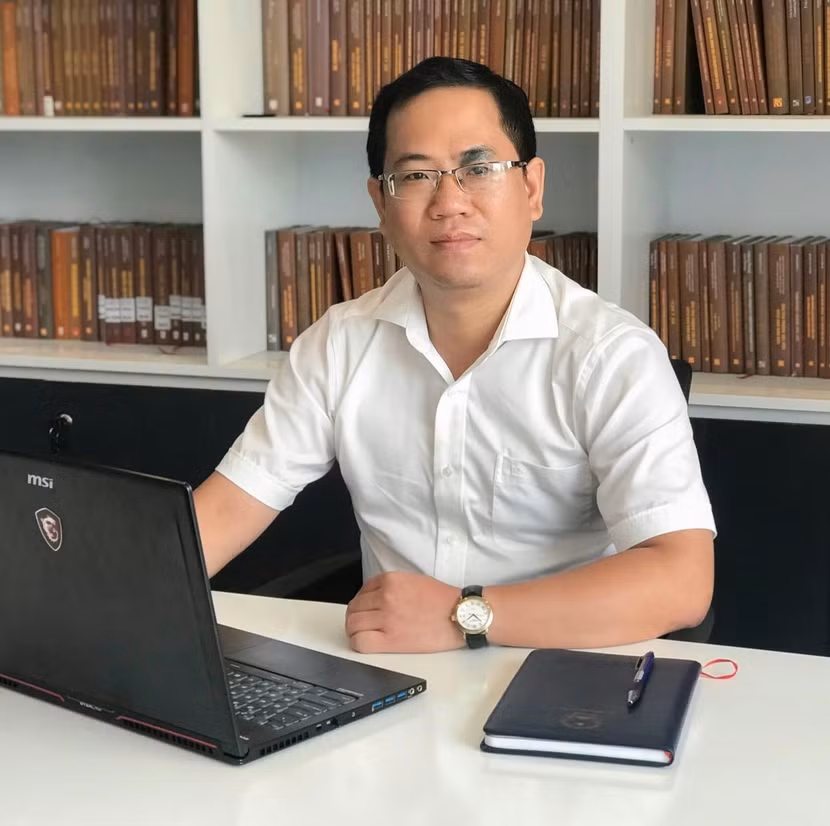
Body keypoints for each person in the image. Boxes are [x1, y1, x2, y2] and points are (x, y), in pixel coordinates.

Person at [193, 57, 716, 655]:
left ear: (532, 188)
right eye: (416, 176)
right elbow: (224, 512)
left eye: (478, 169)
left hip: (568, 669)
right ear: (381, 203)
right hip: (395, 671)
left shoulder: (610, 355)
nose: (449, 202)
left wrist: (464, 616)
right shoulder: (339, 344)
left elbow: (682, 579)